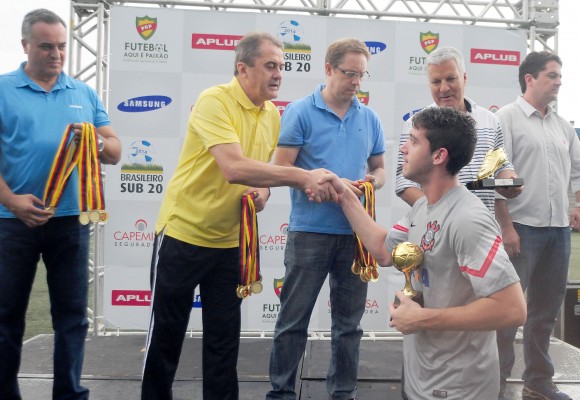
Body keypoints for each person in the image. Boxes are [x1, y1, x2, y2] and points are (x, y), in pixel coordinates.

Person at [140, 32, 337, 400]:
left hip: (232, 244)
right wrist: (303, 177)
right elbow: (233, 168)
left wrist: (262, 193)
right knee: (165, 339)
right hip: (182, 236)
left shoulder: (271, 115)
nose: (279, 73)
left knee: (223, 345)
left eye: (281, 66)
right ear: (242, 68)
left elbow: (262, 174)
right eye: (270, 66)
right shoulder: (214, 100)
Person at [314, 106, 527, 400]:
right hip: (420, 383)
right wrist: (345, 196)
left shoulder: (468, 218)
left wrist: (422, 319)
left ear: (439, 156)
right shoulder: (422, 207)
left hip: (460, 390)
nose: (402, 147)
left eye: (413, 141)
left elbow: (512, 309)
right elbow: (383, 250)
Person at [0, 8, 121, 400]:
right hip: (10, 222)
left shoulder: (82, 92)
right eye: (46, 46)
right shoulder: (2, 90)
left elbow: (115, 149)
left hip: (70, 221)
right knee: (5, 319)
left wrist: (97, 145)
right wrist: (12, 201)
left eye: (62, 47)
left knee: (71, 318)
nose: (56, 54)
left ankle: (69, 394)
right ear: (25, 46)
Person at [266, 38, 386, 400]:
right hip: (309, 232)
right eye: (349, 73)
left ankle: (343, 393)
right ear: (328, 69)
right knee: (293, 322)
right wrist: (313, 180)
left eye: (362, 75)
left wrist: (369, 184)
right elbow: (280, 168)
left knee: (348, 326)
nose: (355, 82)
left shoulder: (369, 117)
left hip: (356, 234)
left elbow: (379, 169)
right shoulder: (300, 111)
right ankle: (282, 393)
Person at [495, 51, 580, 400]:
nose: (559, 81)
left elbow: (577, 171)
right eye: (553, 75)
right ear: (529, 79)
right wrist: (506, 227)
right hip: (521, 230)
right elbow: (494, 177)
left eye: (560, 76)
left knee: (544, 313)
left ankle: (538, 382)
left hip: (558, 232)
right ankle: (495, 384)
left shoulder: (563, 126)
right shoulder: (506, 119)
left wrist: (577, 204)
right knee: (506, 315)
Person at [395, 46, 522, 216]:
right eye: (436, 82)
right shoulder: (414, 124)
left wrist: (510, 181)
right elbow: (404, 184)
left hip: (484, 225)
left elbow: (501, 166)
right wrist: (440, 212)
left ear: (464, 78)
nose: (444, 88)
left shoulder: (490, 120)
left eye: (450, 79)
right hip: (436, 228)